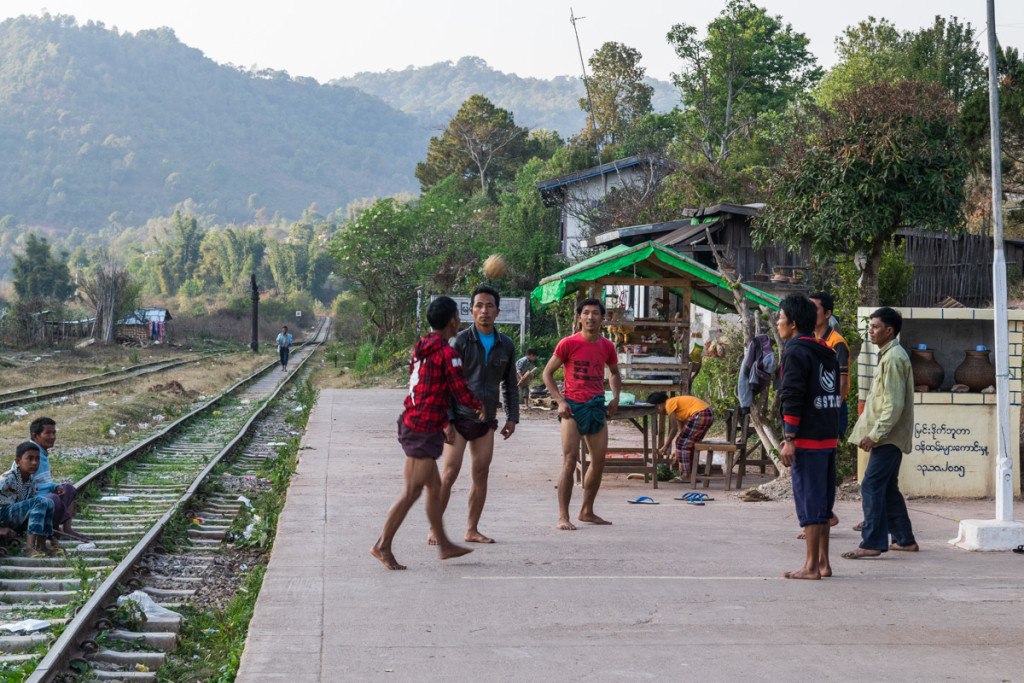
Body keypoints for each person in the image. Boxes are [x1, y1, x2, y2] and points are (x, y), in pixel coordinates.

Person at [371, 296, 484, 570]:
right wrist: (478, 406)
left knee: (433, 487)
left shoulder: (423, 346)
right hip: (420, 428)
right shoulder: (447, 354)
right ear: (452, 321)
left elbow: (432, 389)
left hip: (416, 423)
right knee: (411, 492)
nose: (459, 321)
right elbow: (459, 391)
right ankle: (382, 545)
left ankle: (443, 544)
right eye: (458, 316)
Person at [429, 285, 518, 546]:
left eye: (489, 306)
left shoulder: (506, 345)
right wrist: (446, 421)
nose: (484, 311)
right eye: (479, 306)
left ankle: (471, 529)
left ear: (498, 311)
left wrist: (512, 417)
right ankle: (435, 528)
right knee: (450, 473)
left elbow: (510, 384)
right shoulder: (459, 341)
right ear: (470, 311)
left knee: (481, 472)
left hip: (485, 420)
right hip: (458, 417)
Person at [842, 307, 919, 560]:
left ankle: (872, 541)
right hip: (887, 436)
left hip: (888, 437)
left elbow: (893, 405)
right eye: (870, 326)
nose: (870, 331)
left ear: (890, 330)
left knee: (872, 485)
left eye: (875, 327)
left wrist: (875, 434)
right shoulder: (888, 355)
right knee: (886, 487)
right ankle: (904, 540)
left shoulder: (894, 358)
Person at [542, 297, 621, 530]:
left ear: (602, 318)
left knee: (599, 462)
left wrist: (615, 397)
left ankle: (587, 511)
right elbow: (547, 373)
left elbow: (614, 373)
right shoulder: (568, 343)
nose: (590, 317)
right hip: (572, 408)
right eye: (585, 313)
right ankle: (562, 516)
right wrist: (560, 401)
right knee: (569, 461)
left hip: (596, 406)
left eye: (595, 313)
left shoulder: (607, 346)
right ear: (579, 318)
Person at [777, 294, 841, 580]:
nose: (778, 323)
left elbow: (792, 395)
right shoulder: (826, 350)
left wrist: (789, 437)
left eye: (780, 319)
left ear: (792, 324)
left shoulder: (795, 351)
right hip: (828, 435)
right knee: (823, 503)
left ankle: (811, 566)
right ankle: (824, 564)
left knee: (810, 503)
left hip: (807, 438)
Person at [29, 417, 85, 542]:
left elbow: (43, 480)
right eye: (47, 433)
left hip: (43, 497)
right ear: (35, 436)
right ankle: (53, 531)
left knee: (68, 488)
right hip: (32, 502)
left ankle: (66, 530)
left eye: (54, 433)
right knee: (53, 499)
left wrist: (55, 487)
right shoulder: (30, 454)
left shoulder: (41, 452)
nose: (53, 437)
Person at [0, 443, 59, 557]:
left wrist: (51, 536)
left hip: (13, 517)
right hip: (2, 513)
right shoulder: (8, 478)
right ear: (18, 462)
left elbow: (37, 509)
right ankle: (30, 548)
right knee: (40, 501)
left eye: (37, 459)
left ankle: (42, 546)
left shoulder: (31, 480)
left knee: (48, 503)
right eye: (30, 458)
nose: (34, 463)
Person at [809, 292, 851, 436]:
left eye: (814, 309)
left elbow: (843, 382)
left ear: (827, 314)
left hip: (832, 408)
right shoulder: (810, 339)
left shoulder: (837, 343)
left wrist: (831, 412)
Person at [648, 391, 714, 478]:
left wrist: (665, 446)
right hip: (707, 414)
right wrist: (678, 452)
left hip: (701, 414)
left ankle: (686, 474)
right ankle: (692, 472)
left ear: (659, 405)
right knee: (688, 444)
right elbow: (682, 429)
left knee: (681, 443)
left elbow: (673, 429)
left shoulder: (669, 403)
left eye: (656, 409)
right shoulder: (677, 407)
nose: (658, 412)